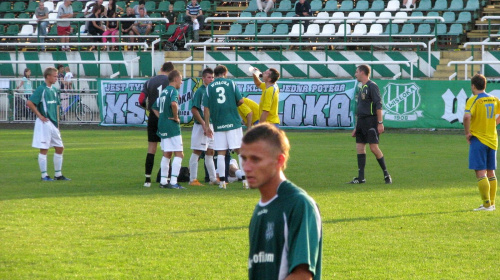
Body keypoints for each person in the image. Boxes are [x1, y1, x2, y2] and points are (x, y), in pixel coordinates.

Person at [242, 123, 322, 279]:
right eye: (244, 158)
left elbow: (302, 276)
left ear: (279, 160)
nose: (247, 167)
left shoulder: (298, 204)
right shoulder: (259, 209)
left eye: (256, 159)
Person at [203, 65, 246, 189]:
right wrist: (233, 104)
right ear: (225, 73)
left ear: (215, 74)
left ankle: (222, 182)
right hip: (233, 122)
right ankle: (245, 181)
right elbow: (241, 101)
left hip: (218, 123)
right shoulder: (231, 83)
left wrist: (207, 126)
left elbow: (206, 108)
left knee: (221, 153)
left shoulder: (209, 87)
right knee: (239, 151)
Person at [349, 64, 392, 184]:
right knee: (359, 147)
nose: (355, 74)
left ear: (362, 72)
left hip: (371, 121)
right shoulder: (361, 87)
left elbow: (378, 105)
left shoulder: (372, 86)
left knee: (373, 148)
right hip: (362, 122)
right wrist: (356, 127)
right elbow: (361, 108)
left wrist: (380, 123)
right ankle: (361, 177)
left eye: (357, 72)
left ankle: (386, 174)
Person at [26, 67, 70, 181]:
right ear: (48, 77)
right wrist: (40, 116)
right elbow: (30, 102)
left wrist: (57, 123)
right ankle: (44, 175)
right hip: (44, 123)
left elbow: (56, 106)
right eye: (55, 76)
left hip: (53, 124)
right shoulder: (42, 89)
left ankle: (58, 174)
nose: (56, 78)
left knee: (60, 148)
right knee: (44, 149)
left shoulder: (54, 90)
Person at [464, 74, 500, 211]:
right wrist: (494, 124)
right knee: (491, 172)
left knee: (480, 171)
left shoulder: (474, 100)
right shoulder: (494, 99)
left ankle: (486, 204)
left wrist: (467, 133)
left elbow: (467, 116)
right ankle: (492, 203)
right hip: (492, 139)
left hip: (479, 139)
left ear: (473, 86)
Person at [138, 62, 174, 188]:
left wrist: (147, 108)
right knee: (167, 149)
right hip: (166, 117)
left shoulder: (149, 82)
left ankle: (147, 180)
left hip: (153, 117)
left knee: (151, 149)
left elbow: (141, 100)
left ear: (161, 69)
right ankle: (164, 178)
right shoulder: (171, 82)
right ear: (171, 71)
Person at [152, 70, 186, 189]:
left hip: (162, 125)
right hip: (172, 126)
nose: (181, 82)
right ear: (176, 79)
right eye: (181, 79)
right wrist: (176, 117)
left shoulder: (164, 91)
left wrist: (161, 117)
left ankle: (163, 181)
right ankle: (173, 182)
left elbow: (154, 107)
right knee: (179, 154)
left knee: (167, 154)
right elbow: (173, 104)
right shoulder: (173, 91)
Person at [188, 68, 219, 186]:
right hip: (201, 126)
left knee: (210, 151)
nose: (211, 79)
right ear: (203, 79)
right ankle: (192, 179)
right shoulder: (200, 91)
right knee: (197, 151)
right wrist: (203, 124)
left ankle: (213, 178)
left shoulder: (212, 91)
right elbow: (194, 109)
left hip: (210, 124)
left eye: (212, 77)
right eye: (209, 77)